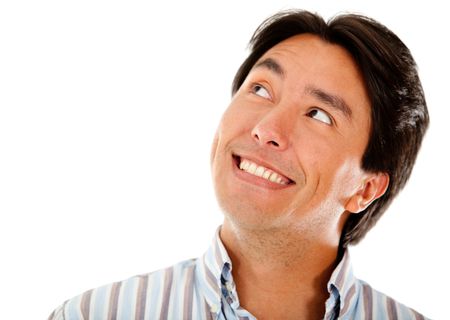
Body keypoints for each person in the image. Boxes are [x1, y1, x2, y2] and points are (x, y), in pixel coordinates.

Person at [48, 9, 429, 320]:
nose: (266, 129)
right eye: (261, 90)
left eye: (319, 114)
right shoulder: (96, 314)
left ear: (366, 188)